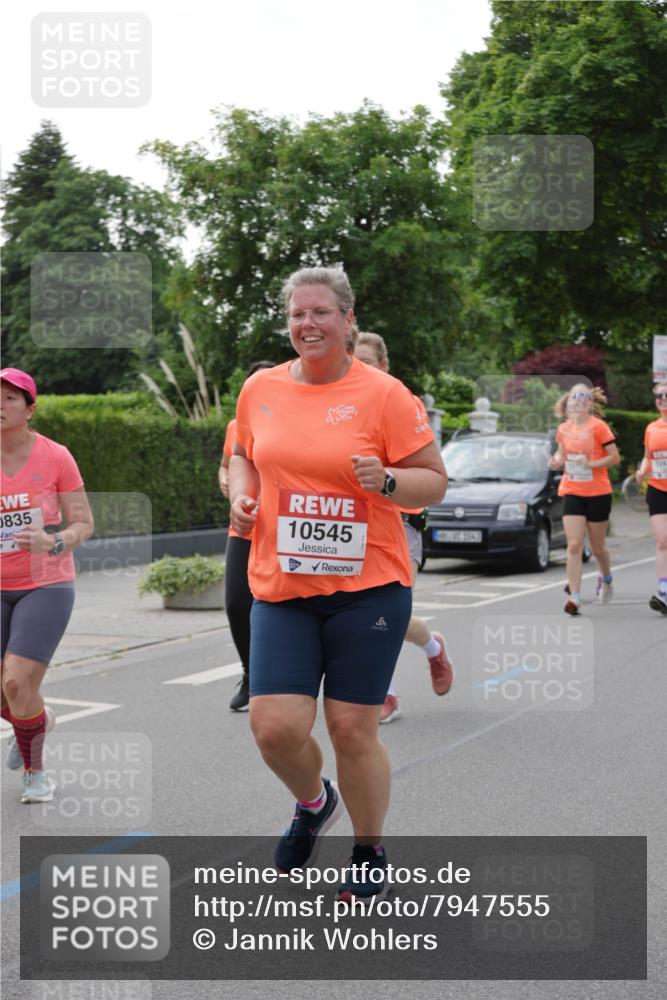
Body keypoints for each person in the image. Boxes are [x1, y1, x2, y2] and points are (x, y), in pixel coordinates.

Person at [229, 267, 447, 902]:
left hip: (368, 588)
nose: (308, 324)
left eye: (321, 312)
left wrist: (385, 480)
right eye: (298, 314)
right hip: (282, 586)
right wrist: (244, 497)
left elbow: (432, 481)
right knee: (273, 727)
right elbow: (242, 453)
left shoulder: (385, 395)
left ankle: (367, 847)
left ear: (348, 321)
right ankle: (312, 800)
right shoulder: (260, 388)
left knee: (352, 728)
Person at [1, 368, 94, 802]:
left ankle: (35, 773)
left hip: (46, 583)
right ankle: (38, 719)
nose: (1, 405)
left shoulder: (56, 456)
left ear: (30, 408)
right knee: (12, 694)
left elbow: (84, 524)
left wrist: (52, 541)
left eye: (10, 398)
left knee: (17, 682)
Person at [354, 332, 453, 723]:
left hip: (402, 523)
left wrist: (388, 479)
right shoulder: (335, 405)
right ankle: (433, 647)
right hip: (354, 530)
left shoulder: (402, 403)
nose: (359, 370)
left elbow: (426, 473)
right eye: (353, 362)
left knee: (383, 614)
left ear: (384, 367)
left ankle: (385, 695)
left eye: (367, 362)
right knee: (369, 618)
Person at [219, 361, 276, 711]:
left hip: (281, 527)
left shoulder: (290, 419)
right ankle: (250, 674)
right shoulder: (236, 425)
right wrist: (226, 482)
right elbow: (229, 463)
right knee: (237, 603)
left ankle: (279, 678)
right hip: (243, 525)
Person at [548, 383, 620, 615]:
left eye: (584, 398)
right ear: (569, 403)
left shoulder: (599, 428)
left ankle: (606, 577)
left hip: (598, 492)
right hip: (572, 490)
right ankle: (574, 597)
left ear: (590, 403)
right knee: (575, 544)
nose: (579, 401)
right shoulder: (564, 429)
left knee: (598, 547)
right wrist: (556, 460)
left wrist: (590, 464)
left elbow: (614, 458)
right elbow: (561, 452)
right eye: (575, 398)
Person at [634, 381, 667, 614]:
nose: (662, 398)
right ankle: (664, 591)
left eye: (666, 394)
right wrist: (641, 470)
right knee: (663, 541)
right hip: (657, 489)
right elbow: (648, 456)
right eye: (659, 395)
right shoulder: (651, 428)